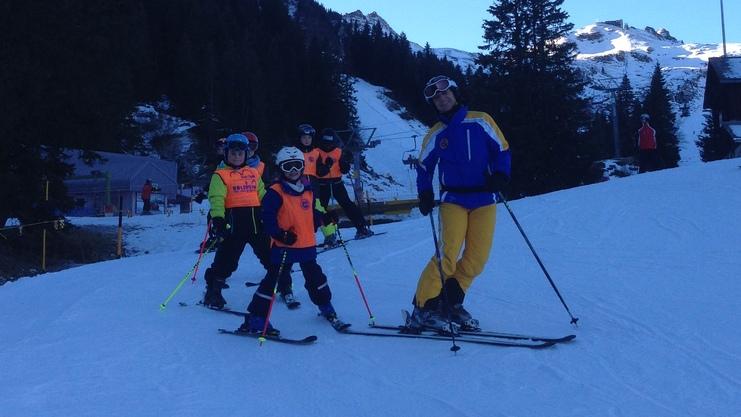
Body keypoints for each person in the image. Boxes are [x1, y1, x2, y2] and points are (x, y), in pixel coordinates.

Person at [407, 75, 511, 332]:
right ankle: (423, 307)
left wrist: (501, 174)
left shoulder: (481, 120)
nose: (442, 99)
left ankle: (450, 302)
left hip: (484, 199)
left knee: (477, 259)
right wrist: (424, 193)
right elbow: (424, 166)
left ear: (455, 94)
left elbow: (502, 149)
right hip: (453, 200)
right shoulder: (436, 133)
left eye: (445, 93)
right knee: (447, 256)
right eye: (436, 98)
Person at [238, 147, 347, 335]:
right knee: (273, 281)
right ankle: (256, 318)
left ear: (303, 166)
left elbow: (310, 214)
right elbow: (267, 219)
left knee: (316, 278)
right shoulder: (275, 192)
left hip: (306, 245)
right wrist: (280, 235)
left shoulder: (308, 189)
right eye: (288, 166)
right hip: (284, 246)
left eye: (297, 165)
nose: (294, 170)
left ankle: (325, 306)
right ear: (280, 168)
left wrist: (325, 218)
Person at [201, 133, 289, 309]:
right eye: (233, 153)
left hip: (257, 224)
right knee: (226, 260)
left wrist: (276, 211)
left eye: (240, 154)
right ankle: (213, 291)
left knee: (270, 256)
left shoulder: (253, 173)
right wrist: (218, 219)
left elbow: (263, 195)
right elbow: (217, 199)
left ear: (246, 154)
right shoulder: (220, 175)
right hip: (233, 226)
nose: (236, 157)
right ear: (226, 154)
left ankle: (285, 286)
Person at [314, 128, 373, 240]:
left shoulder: (338, 152)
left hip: (337, 182)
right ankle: (329, 234)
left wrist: (345, 165)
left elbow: (344, 169)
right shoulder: (316, 152)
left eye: (330, 143)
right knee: (321, 209)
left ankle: (361, 228)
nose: (328, 146)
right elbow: (317, 170)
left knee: (348, 205)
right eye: (326, 143)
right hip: (322, 184)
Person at [296, 123, 339, 248]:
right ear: (299, 138)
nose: (306, 140)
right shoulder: (294, 151)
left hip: (313, 187)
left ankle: (330, 235)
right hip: (297, 186)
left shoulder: (315, 153)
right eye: (304, 137)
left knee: (319, 211)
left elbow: (320, 171)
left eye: (309, 138)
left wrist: (328, 166)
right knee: (298, 213)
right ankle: (299, 239)